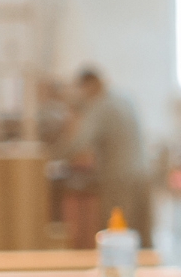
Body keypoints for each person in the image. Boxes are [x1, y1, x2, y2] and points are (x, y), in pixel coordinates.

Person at [62, 67, 150, 243]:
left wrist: (53, 156)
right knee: (142, 234)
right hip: (143, 173)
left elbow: (78, 143)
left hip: (119, 178)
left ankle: (119, 270)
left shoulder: (100, 106)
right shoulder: (125, 98)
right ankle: (149, 269)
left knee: (117, 236)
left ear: (89, 86)